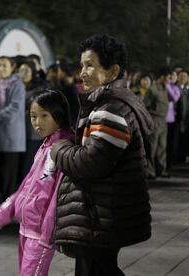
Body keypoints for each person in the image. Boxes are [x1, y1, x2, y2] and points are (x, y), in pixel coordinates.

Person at [50, 34, 153, 276]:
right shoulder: (112, 102)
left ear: (112, 71)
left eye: (90, 65)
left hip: (98, 215)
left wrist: (59, 148)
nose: (82, 72)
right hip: (101, 213)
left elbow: (90, 162)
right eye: (81, 65)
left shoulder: (110, 109)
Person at [0, 89, 73, 276]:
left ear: (59, 115)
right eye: (33, 116)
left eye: (45, 115)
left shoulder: (61, 150)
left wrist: (47, 232)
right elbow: (28, 184)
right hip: (27, 226)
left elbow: (57, 196)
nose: (37, 122)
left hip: (41, 232)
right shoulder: (44, 146)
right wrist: (7, 209)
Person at [0, 56, 26, 209]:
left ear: (12, 67)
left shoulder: (17, 84)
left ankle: (8, 208)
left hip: (11, 137)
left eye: (4, 65)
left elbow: (14, 107)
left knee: (8, 177)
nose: (1, 68)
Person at [144, 68, 172, 179]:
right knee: (152, 147)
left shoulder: (165, 89)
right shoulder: (152, 90)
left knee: (162, 147)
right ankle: (150, 171)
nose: (169, 80)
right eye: (168, 78)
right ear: (162, 77)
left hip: (163, 121)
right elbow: (145, 105)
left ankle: (162, 169)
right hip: (154, 120)